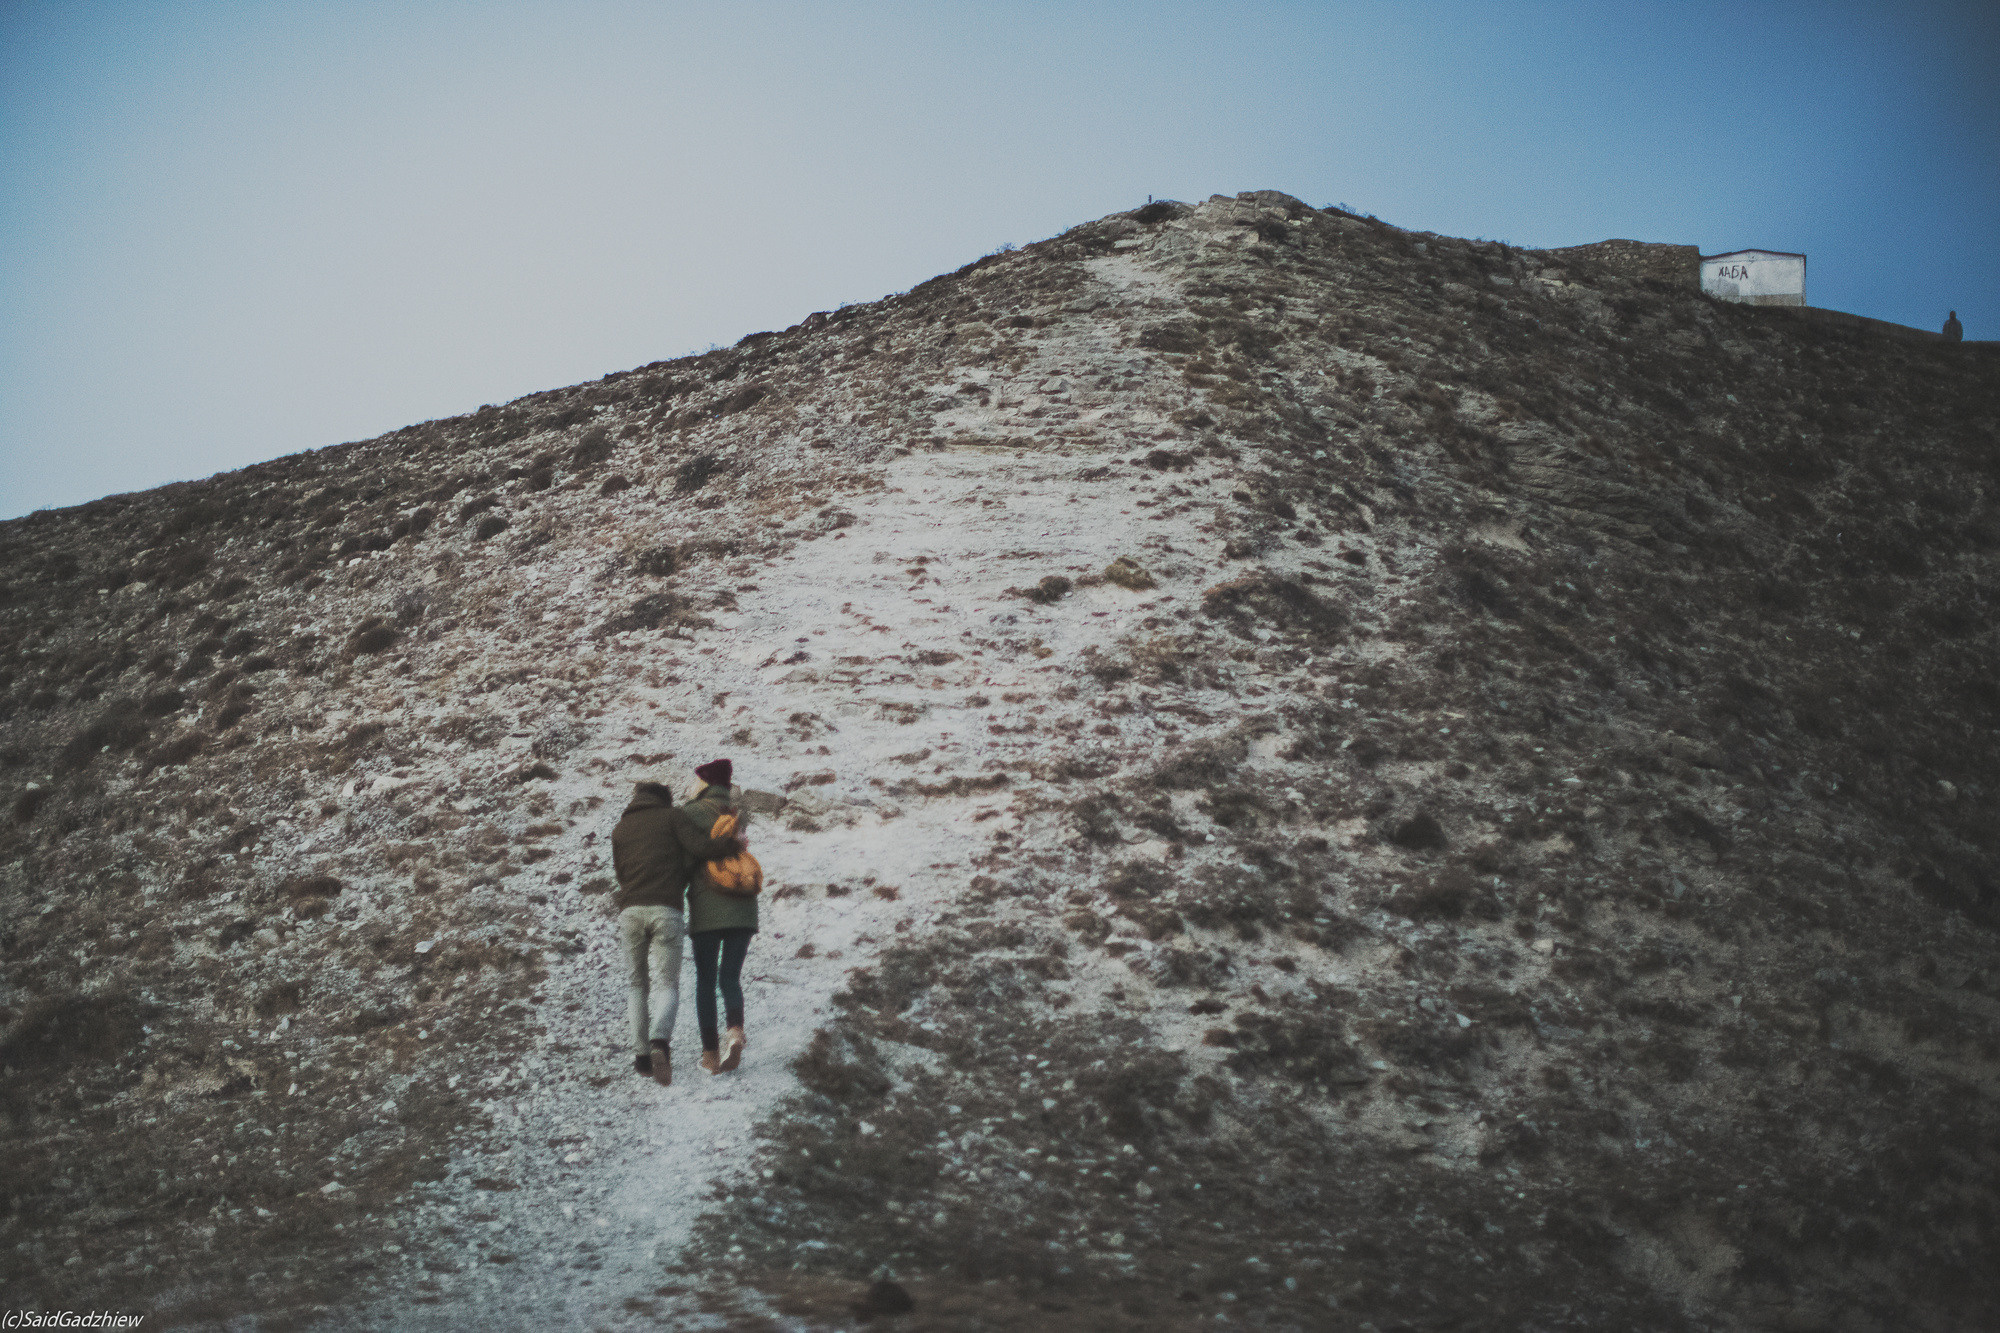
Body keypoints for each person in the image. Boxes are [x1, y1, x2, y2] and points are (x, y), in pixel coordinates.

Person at [609, 764, 743, 1086]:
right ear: (664, 799)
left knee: (636, 984)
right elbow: (700, 849)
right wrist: (733, 846)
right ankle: (660, 1042)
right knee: (666, 984)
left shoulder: (620, 829)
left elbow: (620, 873)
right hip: (666, 910)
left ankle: (642, 1058)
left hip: (630, 911)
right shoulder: (673, 817)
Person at [681, 757, 758, 1075]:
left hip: (708, 908)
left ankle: (710, 1055)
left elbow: (683, 859)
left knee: (705, 982)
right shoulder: (735, 814)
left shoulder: (690, 814)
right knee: (730, 978)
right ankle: (735, 1031)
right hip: (743, 908)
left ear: (704, 782)